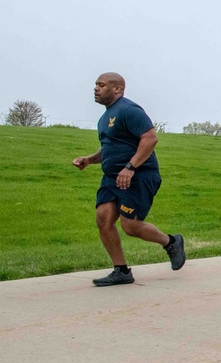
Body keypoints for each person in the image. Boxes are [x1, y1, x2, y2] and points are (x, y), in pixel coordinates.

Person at [72, 72, 185, 286]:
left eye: (101, 85)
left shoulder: (129, 110)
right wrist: (89, 159)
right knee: (103, 219)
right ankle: (121, 271)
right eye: (95, 84)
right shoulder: (105, 117)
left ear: (117, 89)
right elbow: (109, 148)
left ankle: (171, 242)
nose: (96, 88)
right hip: (113, 177)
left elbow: (150, 138)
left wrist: (130, 167)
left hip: (139, 175)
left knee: (130, 226)